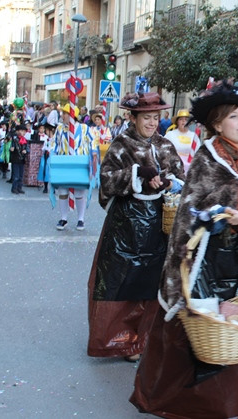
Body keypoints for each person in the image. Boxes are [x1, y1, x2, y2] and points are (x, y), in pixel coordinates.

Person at [130, 80, 238, 418]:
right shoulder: (205, 158)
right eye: (234, 117)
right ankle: (180, 403)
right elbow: (192, 208)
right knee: (194, 332)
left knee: (237, 329)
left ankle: (232, 406)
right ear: (217, 124)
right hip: (205, 260)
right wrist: (227, 212)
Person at [87, 92, 185, 362]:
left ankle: (146, 337)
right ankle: (125, 339)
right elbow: (106, 180)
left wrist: (166, 182)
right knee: (125, 281)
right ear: (133, 118)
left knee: (153, 281)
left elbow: (180, 176)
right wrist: (138, 174)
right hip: (126, 226)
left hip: (160, 224)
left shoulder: (165, 145)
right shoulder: (121, 144)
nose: (153, 123)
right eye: (147, 118)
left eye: (156, 118)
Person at [52, 103, 96, 231]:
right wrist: (52, 154)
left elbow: (93, 140)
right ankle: (64, 218)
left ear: (71, 115)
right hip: (63, 163)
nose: (62, 115)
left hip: (79, 163)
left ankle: (81, 219)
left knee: (79, 191)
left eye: (64, 113)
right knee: (63, 191)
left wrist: (93, 152)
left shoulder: (84, 128)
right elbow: (55, 143)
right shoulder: (60, 129)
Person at [9, 124, 29, 194]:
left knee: (21, 175)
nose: (22, 132)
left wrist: (26, 151)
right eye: (21, 130)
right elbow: (11, 148)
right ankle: (14, 188)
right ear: (17, 131)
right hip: (15, 159)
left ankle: (19, 188)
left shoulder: (25, 140)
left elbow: (28, 149)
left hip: (22, 160)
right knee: (16, 176)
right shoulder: (14, 140)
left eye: (24, 131)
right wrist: (11, 149)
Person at [37, 122, 56, 194]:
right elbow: (44, 146)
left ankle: (53, 187)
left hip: (52, 155)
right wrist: (45, 150)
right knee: (44, 170)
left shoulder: (54, 140)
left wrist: (50, 151)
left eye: (47, 130)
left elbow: (55, 147)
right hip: (46, 155)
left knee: (51, 171)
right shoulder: (46, 139)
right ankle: (45, 187)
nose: (46, 132)